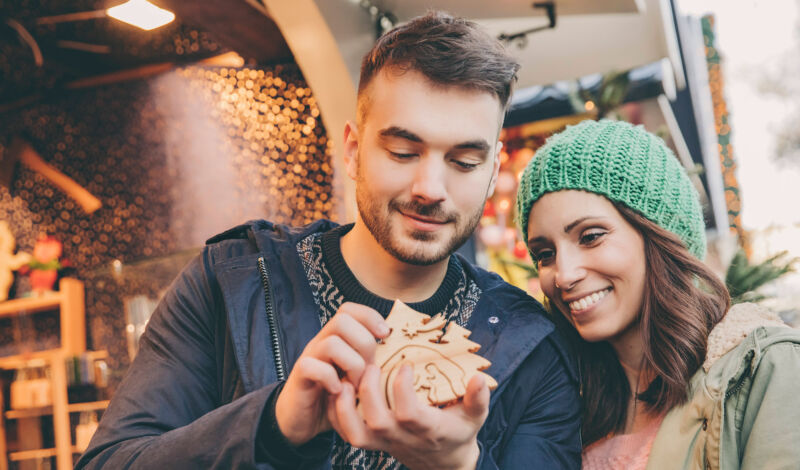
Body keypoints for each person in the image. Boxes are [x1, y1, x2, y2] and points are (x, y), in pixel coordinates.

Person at [76, 12, 582, 470]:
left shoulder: (529, 343)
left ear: (493, 171)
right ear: (354, 150)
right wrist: (273, 426)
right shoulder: (232, 282)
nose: (430, 188)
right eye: (403, 152)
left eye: (464, 162)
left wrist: (460, 464)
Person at [515, 118, 800, 470]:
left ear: (661, 237)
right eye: (545, 254)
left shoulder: (764, 370)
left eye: (590, 236)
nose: (563, 275)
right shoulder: (561, 401)